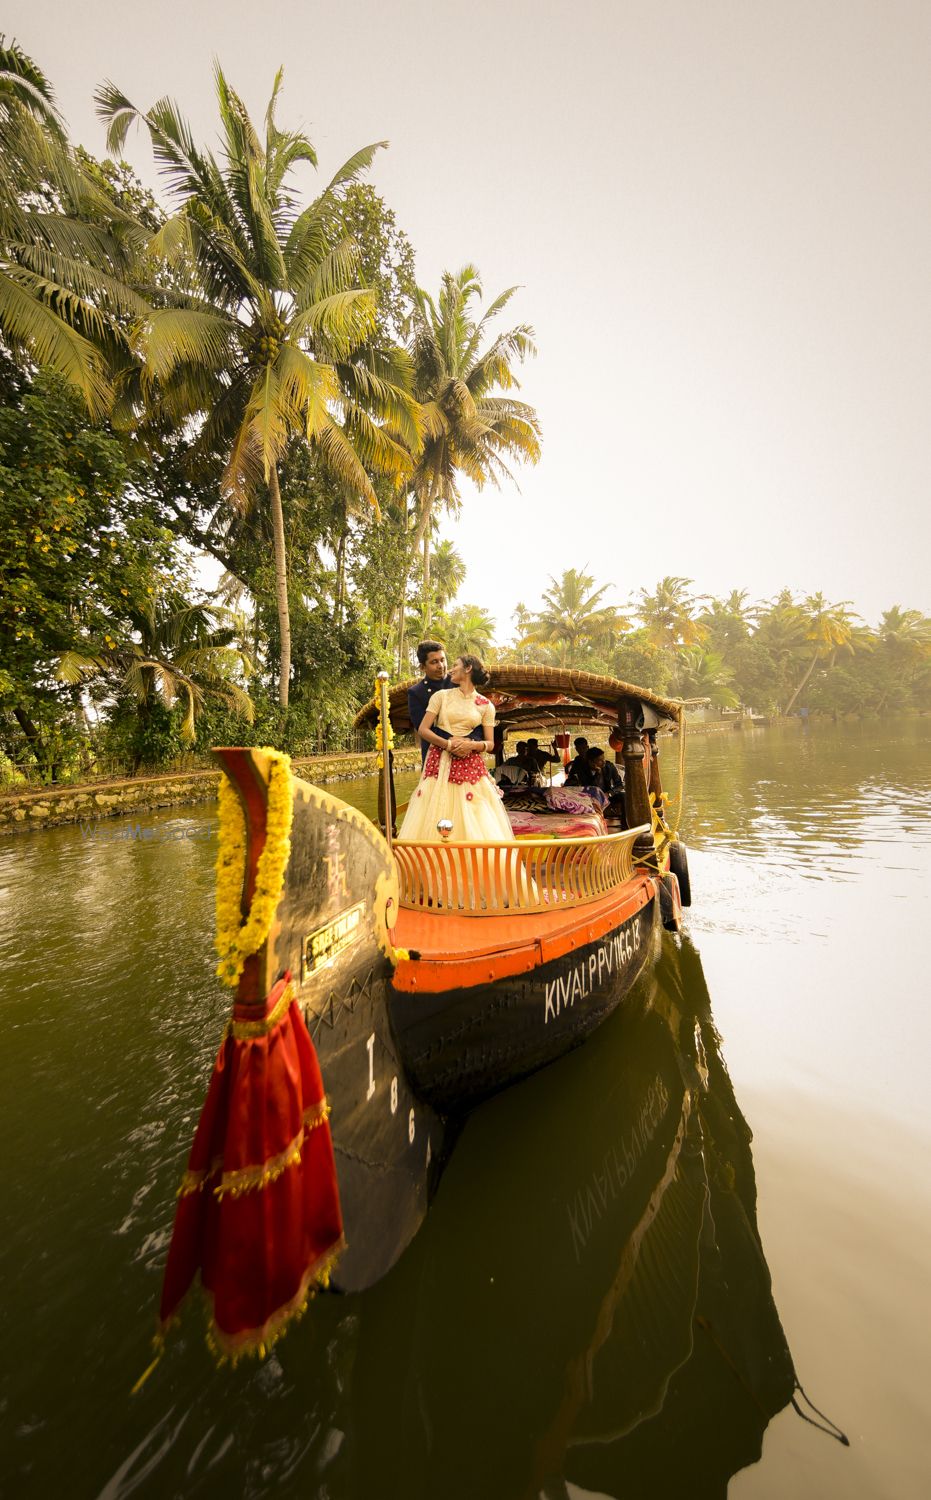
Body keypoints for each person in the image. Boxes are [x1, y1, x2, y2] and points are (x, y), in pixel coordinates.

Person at [397, 655, 515, 843]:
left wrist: (471, 745)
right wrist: (449, 745)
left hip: (470, 764)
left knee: (472, 814)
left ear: (468, 669)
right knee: (435, 809)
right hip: (439, 761)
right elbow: (423, 730)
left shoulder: (486, 705)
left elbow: (490, 744)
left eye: (455, 665)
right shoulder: (441, 697)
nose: (450, 669)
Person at [407, 640, 484, 765]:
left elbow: (478, 716)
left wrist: (470, 741)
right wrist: (452, 741)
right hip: (435, 757)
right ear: (422, 667)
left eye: (442, 660)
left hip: (468, 752)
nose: (441, 666)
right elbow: (424, 727)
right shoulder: (416, 692)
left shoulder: (461, 681)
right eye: (434, 662)